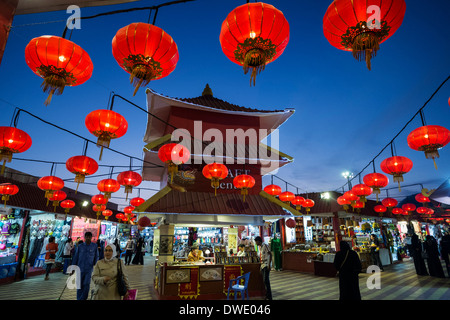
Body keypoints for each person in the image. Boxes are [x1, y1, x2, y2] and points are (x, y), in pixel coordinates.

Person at [71, 232, 99, 300]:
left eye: (89, 237)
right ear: (85, 237)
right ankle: (79, 298)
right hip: (79, 269)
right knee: (79, 285)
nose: (88, 238)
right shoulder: (80, 246)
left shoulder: (94, 246)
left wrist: (97, 266)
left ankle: (83, 298)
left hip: (89, 269)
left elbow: (96, 256)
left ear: (91, 238)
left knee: (86, 284)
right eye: (87, 237)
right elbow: (76, 257)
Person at [255, 236, 272, 300]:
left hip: (266, 265)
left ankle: (269, 297)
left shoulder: (265, 245)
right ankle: (267, 295)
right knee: (264, 281)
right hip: (262, 265)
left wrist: (269, 265)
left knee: (266, 281)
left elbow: (270, 254)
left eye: (256, 242)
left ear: (258, 241)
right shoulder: (261, 247)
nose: (256, 243)